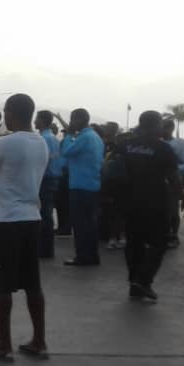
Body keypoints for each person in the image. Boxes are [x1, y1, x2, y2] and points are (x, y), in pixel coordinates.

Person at [0, 94, 49, 362]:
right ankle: (39, 340)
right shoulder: (41, 143)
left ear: (10, 113)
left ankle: (3, 343)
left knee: (1, 285)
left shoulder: (4, 143)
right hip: (31, 217)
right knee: (32, 284)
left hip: (4, 220)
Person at [108, 111, 184, 300]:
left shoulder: (125, 145)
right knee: (159, 244)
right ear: (155, 125)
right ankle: (143, 280)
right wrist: (183, 199)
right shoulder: (162, 148)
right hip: (155, 203)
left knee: (134, 243)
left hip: (128, 202)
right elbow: (173, 178)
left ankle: (134, 281)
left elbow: (113, 170)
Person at [58, 108, 104, 266]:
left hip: (80, 186)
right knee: (90, 224)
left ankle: (83, 256)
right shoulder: (95, 137)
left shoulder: (84, 137)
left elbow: (66, 151)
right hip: (91, 185)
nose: (70, 123)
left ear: (81, 119)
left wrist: (69, 134)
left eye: (72, 119)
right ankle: (92, 256)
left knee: (80, 224)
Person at [35, 111, 61, 258]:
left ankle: (44, 250)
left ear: (42, 121)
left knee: (44, 214)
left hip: (46, 179)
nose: (34, 122)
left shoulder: (45, 138)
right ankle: (46, 249)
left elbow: (45, 161)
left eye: (36, 119)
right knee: (46, 213)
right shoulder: (52, 138)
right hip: (51, 178)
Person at [162, 118, 184, 247]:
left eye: (166, 127)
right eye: (162, 127)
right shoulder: (157, 142)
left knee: (173, 209)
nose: (163, 130)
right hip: (158, 182)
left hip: (174, 181)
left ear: (172, 128)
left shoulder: (180, 144)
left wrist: (173, 170)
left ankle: (174, 236)